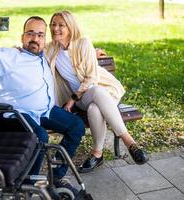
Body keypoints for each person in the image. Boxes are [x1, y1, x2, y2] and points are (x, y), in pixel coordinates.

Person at [0, 15, 85, 192]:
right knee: (40, 137)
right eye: (30, 33)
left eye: (40, 35)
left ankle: (55, 176)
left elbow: (69, 46)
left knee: (76, 126)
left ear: (44, 39)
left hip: (44, 111)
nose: (35, 38)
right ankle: (27, 187)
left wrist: (93, 51)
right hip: (16, 114)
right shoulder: (10, 55)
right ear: (22, 36)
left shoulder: (45, 53)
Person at [45, 10, 149, 173]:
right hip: (84, 96)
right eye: (53, 24)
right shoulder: (51, 49)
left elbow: (92, 77)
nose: (55, 28)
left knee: (96, 104)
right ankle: (130, 143)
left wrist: (73, 98)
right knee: (95, 95)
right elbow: (31, 50)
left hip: (104, 90)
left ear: (70, 27)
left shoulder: (83, 43)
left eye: (61, 25)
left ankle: (97, 154)